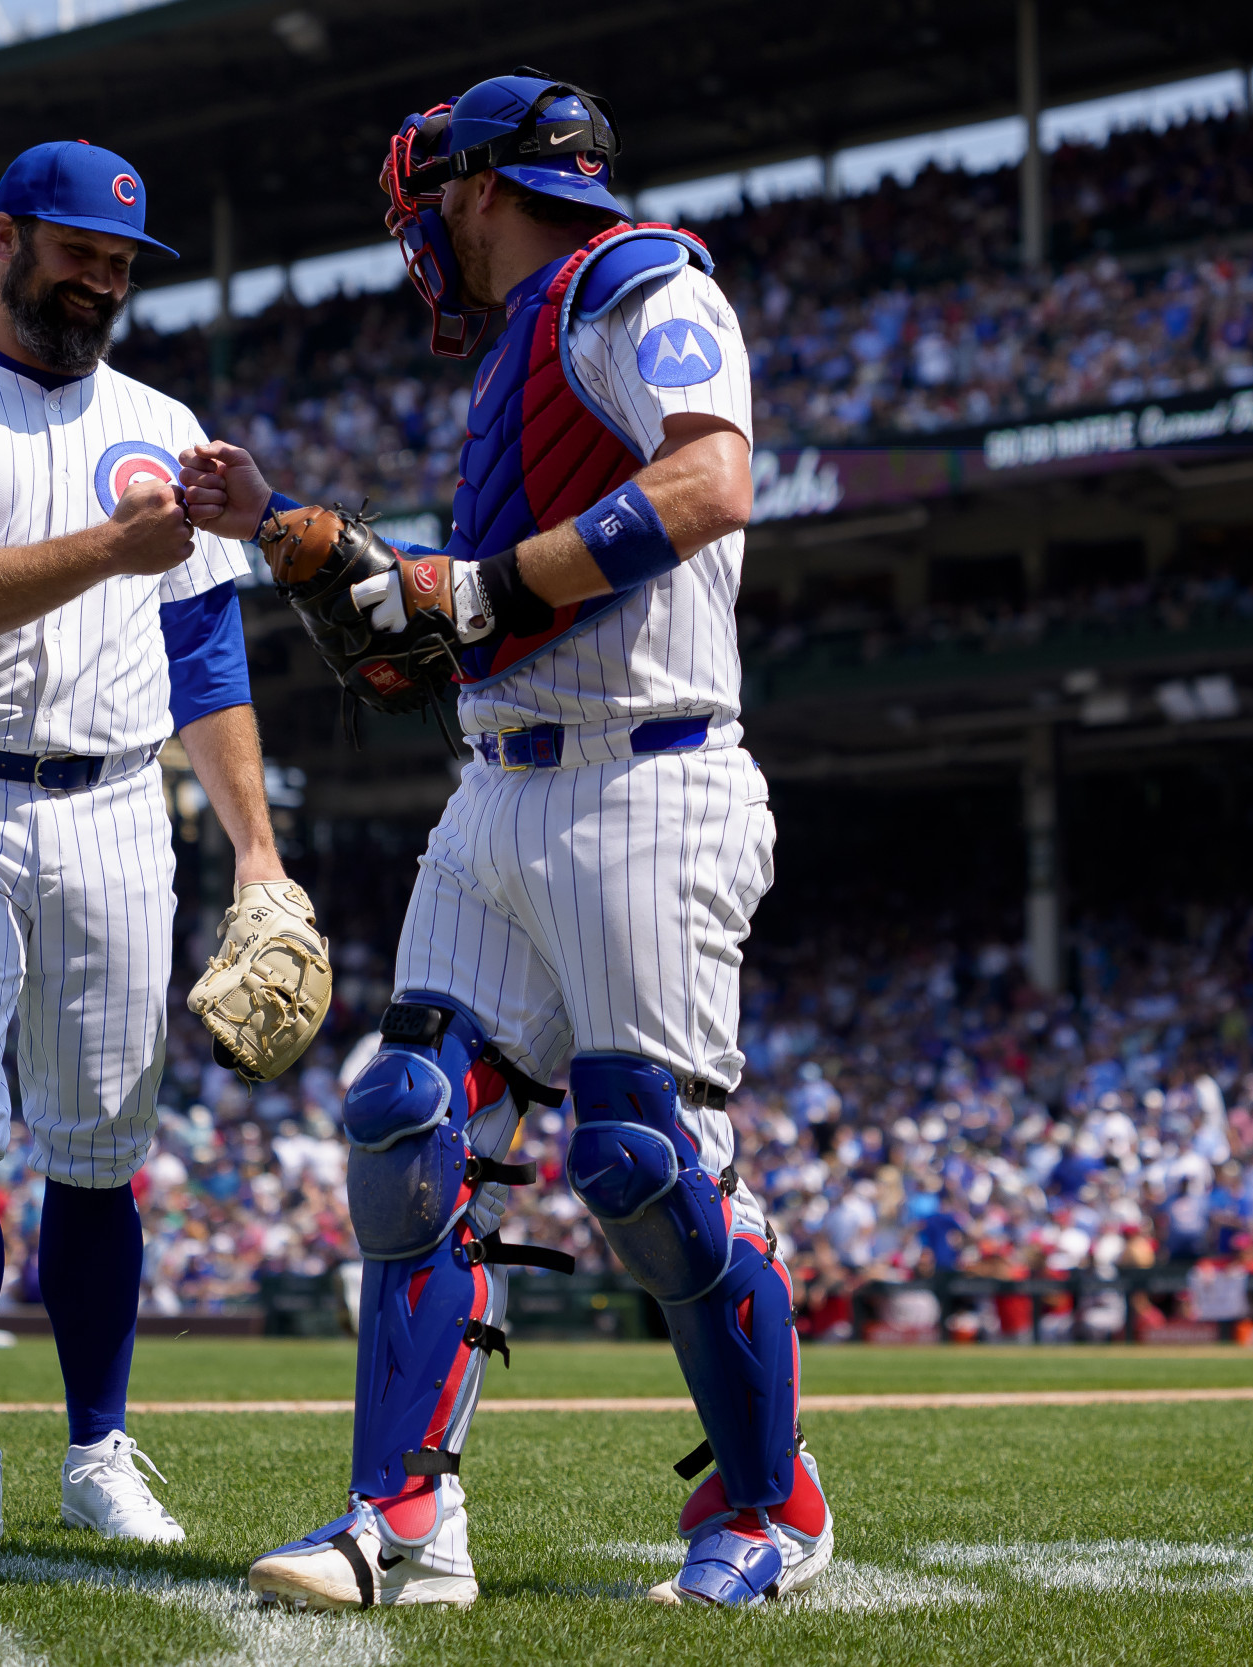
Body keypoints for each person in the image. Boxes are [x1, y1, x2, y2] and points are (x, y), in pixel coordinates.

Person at [217, 72, 834, 1610]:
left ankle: (772, 1504)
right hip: (499, 780)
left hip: (652, 777)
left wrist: (480, 592)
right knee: (408, 1118)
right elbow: (468, 593)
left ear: (492, 185)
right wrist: (304, 534)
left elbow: (708, 476)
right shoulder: (531, 339)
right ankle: (402, 1519)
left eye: (433, 200)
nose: (422, 233)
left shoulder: (639, 279)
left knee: (642, 1159)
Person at [0, 138, 317, 1564]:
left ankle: (97, 1444)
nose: (98, 278)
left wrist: (259, 854)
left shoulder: (164, 420)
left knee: (101, 1145)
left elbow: (209, 660)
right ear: (6, 239)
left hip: (114, 804)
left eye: (119, 262)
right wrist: (114, 544)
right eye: (76, 250)